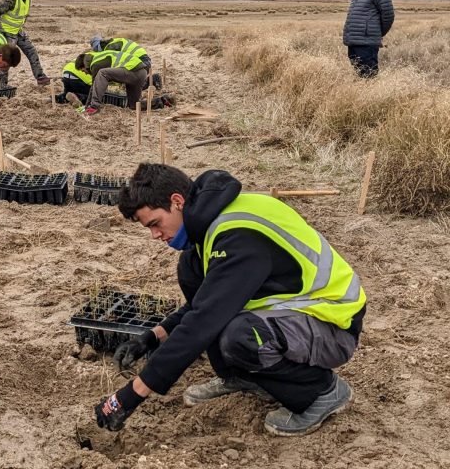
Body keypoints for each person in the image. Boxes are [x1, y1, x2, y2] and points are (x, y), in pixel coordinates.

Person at [95, 164, 366, 436]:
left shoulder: (238, 237)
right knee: (190, 270)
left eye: (155, 223)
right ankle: (243, 377)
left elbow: (204, 320)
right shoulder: (211, 226)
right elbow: (205, 303)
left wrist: (132, 395)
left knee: (241, 336)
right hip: (291, 312)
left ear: (176, 202)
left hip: (332, 324)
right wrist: (151, 337)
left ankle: (321, 392)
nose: (155, 235)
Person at [0, 0, 50, 87]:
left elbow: (22, 14)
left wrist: (20, 26)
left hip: (18, 32)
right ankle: (2, 84)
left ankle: (40, 77)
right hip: (6, 33)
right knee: (6, 58)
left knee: (32, 51)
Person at [342, 0, 395, 78]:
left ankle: (373, 96)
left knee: (369, 76)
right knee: (359, 74)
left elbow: (388, 15)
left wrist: (377, 33)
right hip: (354, 42)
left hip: (367, 43)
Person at [76, 45, 148, 116]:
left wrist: (88, 106)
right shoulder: (99, 57)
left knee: (102, 73)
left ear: (84, 65)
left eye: (83, 70)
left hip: (134, 70)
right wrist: (87, 106)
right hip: (141, 73)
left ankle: (94, 107)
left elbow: (94, 87)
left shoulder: (96, 64)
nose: (85, 73)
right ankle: (158, 102)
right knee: (134, 105)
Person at [90, 34, 162, 90]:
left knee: (128, 87)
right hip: (144, 61)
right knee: (131, 85)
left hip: (140, 62)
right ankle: (150, 81)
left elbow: (115, 67)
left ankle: (151, 80)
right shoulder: (113, 42)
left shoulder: (110, 48)